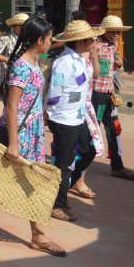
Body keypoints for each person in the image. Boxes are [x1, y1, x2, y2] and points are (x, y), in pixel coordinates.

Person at [0, 16, 66, 257]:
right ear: (40, 40)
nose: (51, 42)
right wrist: (13, 143)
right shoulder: (22, 66)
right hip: (19, 135)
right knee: (9, 184)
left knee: (32, 184)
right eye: (50, 38)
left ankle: (37, 234)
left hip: (31, 134)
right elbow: (11, 106)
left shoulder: (33, 63)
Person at [45, 20, 103, 222]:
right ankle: (56, 204)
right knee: (63, 162)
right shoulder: (64, 63)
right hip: (64, 119)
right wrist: (52, 116)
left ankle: (62, 192)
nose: (95, 42)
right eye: (91, 39)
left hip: (76, 117)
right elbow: (55, 92)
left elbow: (88, 79)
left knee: (86, 150)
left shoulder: (77, 59)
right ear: (80, 41)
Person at [93, 15, 134, 181]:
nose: (115, 34)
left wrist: (119, 64)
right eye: (112, 31)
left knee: (113, 129)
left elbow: (113, 70)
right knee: (91, 131)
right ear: (104, 30)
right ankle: (76, 167)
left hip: (109, 93)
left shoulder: (113, 46)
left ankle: (117, 166)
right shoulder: (96, 45)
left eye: (118, 31)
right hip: (96, 94)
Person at [0, 12, 29, 88]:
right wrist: (7, 59)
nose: (24, 28)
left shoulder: (28, 41)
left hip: (25, 79)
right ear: (14, 26)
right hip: (9, 80)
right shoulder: (6, 38)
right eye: (21, 26)